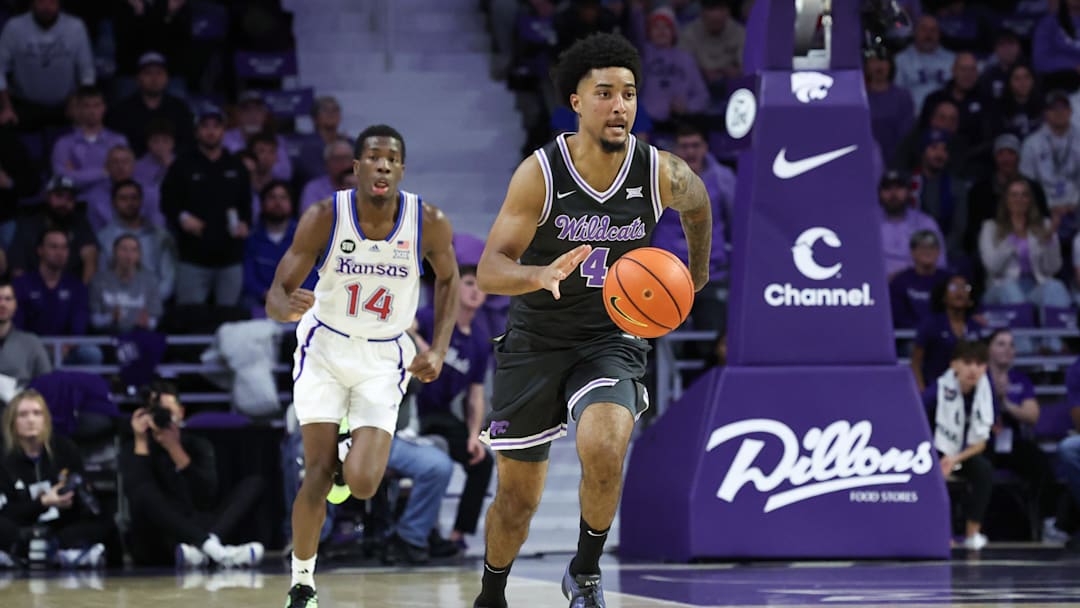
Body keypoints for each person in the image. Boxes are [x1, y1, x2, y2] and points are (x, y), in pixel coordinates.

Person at [472, 33, 711, 608]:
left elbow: (698, 203)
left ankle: (584, 571)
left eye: (628, 93)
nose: (619, 105)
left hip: (610, 337)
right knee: (517, 503)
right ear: (576, 103)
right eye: (604, 93)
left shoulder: (660, 171)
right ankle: (492, 592)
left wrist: (696, 275)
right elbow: (489, 269)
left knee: (606, 447)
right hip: (536, 340)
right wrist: (538, 274)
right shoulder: (541, 173)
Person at [266, 124, 461, 608]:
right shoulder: (324, 216)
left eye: (391, 159)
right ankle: (302, 585)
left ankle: (347, 446)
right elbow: (277, 292)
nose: (382, 165)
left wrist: (438, 348)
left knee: (364, 483)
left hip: (383, 356)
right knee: (316, 473)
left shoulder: (428, 221)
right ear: (356, 167)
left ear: (402, 170)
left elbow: (450, 280)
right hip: (325, 350)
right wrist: (283, 308)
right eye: (373, 157)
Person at [120, 382, 264, 567]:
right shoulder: (136, 448)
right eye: (157, 412)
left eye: (167, 411)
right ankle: (216, 551)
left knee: (252, 484)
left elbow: (206, 496)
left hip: (195, 522)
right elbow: (137, 495)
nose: (163, 417)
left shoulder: (196, 445)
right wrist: (140, 440)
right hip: (158, 535)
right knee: (144, 492)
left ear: (181, 413)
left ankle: (201, 550)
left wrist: (174, 448)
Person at [411, 265, 494, 550]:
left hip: (440, 414)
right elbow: (405, 330)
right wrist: (423, 346)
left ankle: (457, 535)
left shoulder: (479, 342)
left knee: (482, 461)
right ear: (456, 288)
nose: (475, 291)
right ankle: (421, 530)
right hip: (410, 408)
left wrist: (473, 436)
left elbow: (475, 394)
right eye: (469, 283)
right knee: (436, 456)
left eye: (481, 286)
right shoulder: (432, 318)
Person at [0, 390, 113, 567]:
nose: (31, 420)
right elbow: (6, 510)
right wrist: (42, 502)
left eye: (37, 413)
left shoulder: (64, 448)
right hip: (20, 525)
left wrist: (70, 497)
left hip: (60, 524)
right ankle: (38, 554)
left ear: (46, 419)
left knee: (105, 520)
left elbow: (81, 493)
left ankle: (49, 553)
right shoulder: (4, 457)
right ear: (12, 421)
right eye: (23, 415)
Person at [922, 340, 994, 551]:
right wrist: (940, 457)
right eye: (968, 362)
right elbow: (916, 426)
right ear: (954, 365)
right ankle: (941, 533)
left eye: (979, 364)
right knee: (930, 473)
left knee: (984, 469)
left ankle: (972, 533)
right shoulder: (936, 391)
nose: (973, 370)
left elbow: (981, 442)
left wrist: (954, 459)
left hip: (962, 454)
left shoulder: (985, 393)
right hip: (932, 450)